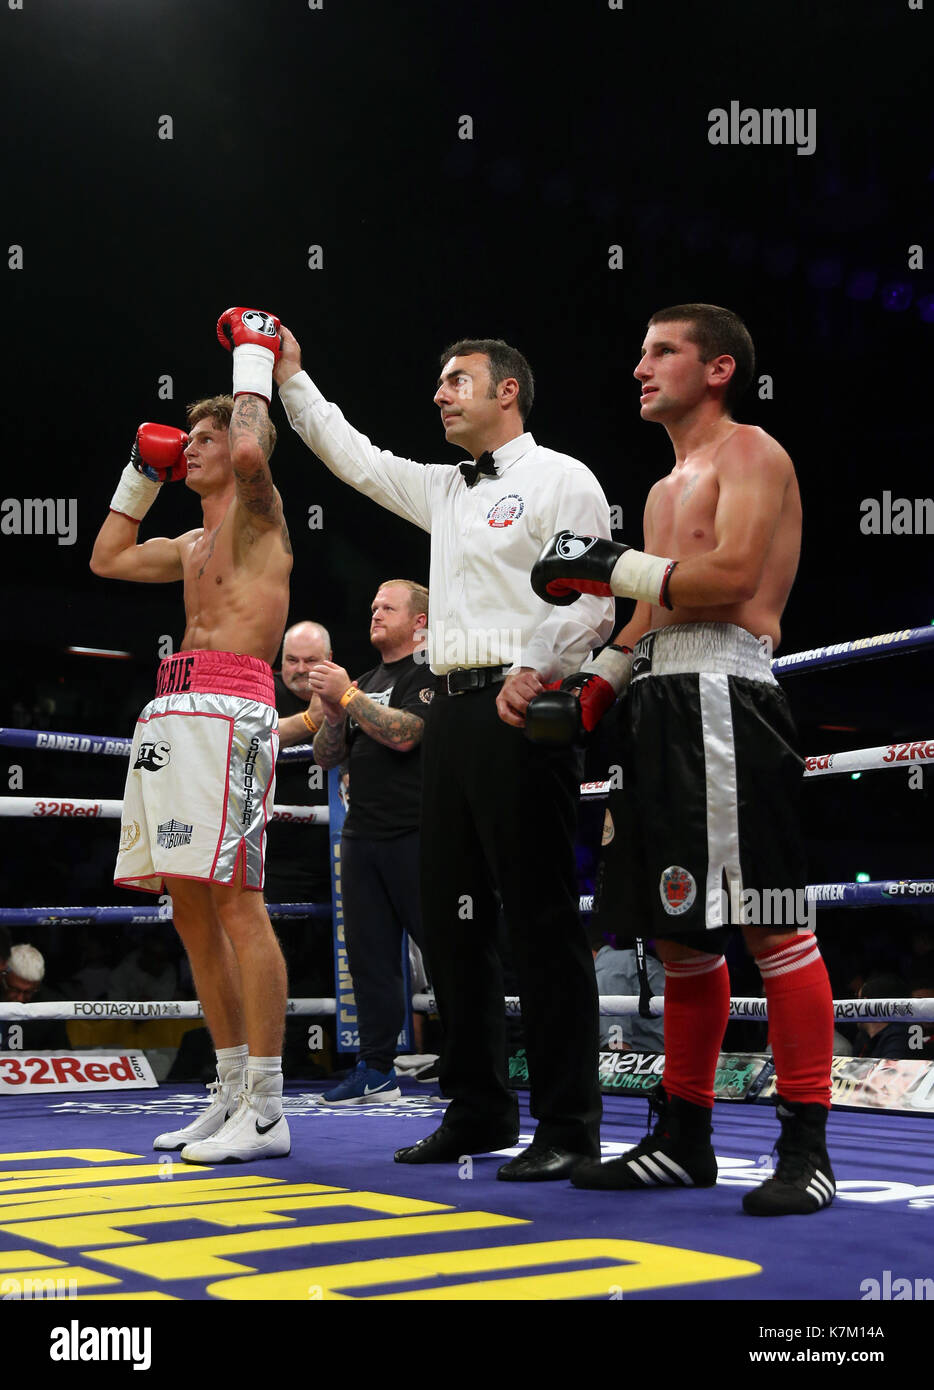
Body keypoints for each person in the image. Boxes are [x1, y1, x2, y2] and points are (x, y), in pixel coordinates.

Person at [275, 329, 614, 1179]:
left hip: (523, 706)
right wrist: (290, 376)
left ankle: (568, 1123)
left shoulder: (562, 477)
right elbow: (351, 456)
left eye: (457, 379)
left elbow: (595, 597)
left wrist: (538, 669)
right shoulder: (444, 489)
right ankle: (478, 1109)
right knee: (455, 926)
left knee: (540, 919)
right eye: (437, 379)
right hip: (452, 713)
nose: (439, 392)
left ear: (508, 392)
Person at [531, 303, 835, 1215]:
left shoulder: (752, 453)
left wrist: (607, 564)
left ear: (718, 370)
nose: (640, 366)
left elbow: (733, 577)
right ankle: (683, 1137)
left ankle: (807, 1147)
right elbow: (651, 609)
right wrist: (600, 681)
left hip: (728, 698)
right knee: (677, 936)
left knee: (769, 921)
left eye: (662, 351)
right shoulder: (665, 490)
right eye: (639, 350)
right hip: (659, 700)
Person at [89, 307, 293, 1163]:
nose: (197, 448)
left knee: (239, 904)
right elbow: (104, 556)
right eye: (191, 441)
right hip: (175, 711)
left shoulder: (259, 515)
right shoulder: (187, 541)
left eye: (204, 436)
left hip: (236, 709)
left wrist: (253, 361)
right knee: (191, 912)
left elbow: (249, 452)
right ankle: (232, 1086)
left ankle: (273, 1109)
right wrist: (141, 473)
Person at [279, 580, 434, 1102]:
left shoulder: (432, 672)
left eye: (387, 607)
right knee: (368, 955)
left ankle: (469, 1060)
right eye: (372, 606)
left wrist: (346, 694)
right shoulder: (366, 678)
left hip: (418, 832)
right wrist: (335, 713)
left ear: (419, 622)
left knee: (444, 952)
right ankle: (376, 1067)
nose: (374, 612)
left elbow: (407, 732)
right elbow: (327, 755)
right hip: (362, 834)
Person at [265, 620, 334, 907]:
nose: (301, 669)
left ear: (329, 661)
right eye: (292, 660)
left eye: (311, 660)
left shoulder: (345, 692)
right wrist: (309, 721)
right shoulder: (264, 691)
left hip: (332, 853)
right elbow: (246, 738)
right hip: (275, 855)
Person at [590, 927, 666, 1054]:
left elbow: (617, 1048)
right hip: (673, 1054)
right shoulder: (627, 960)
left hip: (655, 1062)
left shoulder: (607, 967)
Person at [856, 974, 917, 1060]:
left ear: (866, 1003)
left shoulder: (901, 1036)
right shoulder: (863, 1037)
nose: (854, 1007)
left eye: (857, 999)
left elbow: (888, 1071)